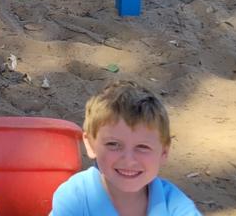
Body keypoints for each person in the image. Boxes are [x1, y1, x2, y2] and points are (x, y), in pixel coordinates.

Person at [51, 82, 201, 216]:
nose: (129, 160)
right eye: (113, 144)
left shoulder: (174, 205)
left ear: (164, 152)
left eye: (143, 147)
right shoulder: (76, 197)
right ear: (90, 145)